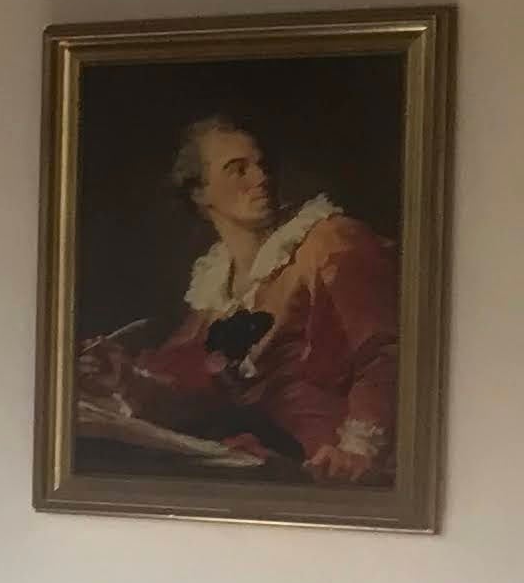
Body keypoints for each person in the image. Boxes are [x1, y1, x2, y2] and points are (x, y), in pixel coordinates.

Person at [77, 113, 396, 483]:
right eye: (238, 169)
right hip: (268, 455)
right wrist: (122, 376)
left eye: (262, 165)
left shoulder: (331, 242)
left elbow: (387, 351)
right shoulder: (215, 282)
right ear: (200, 193)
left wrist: (357, 449)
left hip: (335, 462)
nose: (261, 178)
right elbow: (195, 387)